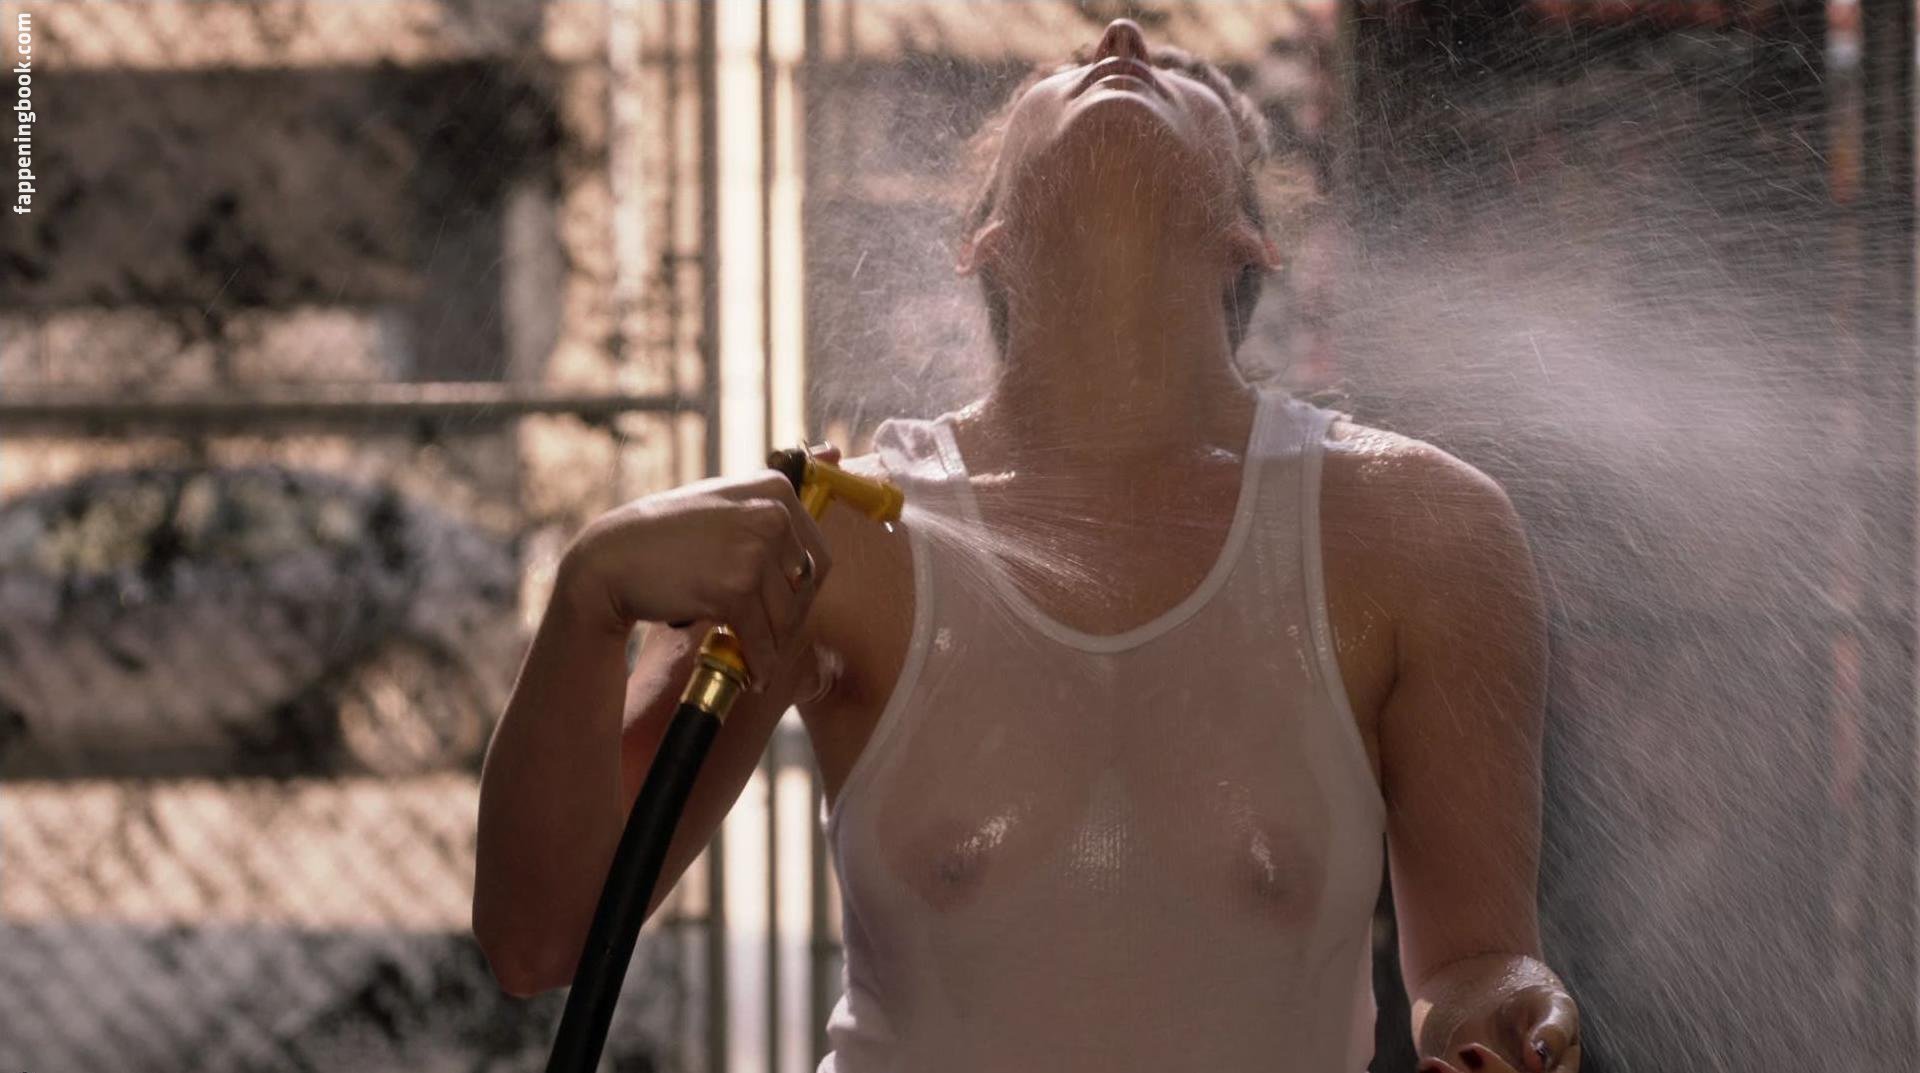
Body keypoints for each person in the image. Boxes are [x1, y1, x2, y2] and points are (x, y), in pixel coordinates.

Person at [474, 18, 1580, 1073]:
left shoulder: (1420, 531)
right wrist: (585, 599)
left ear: (1252, 238)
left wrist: (1513, 1012)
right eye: (1057, 70)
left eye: (1191, 76)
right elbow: (540, 935)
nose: (1120, 42)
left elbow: (1474, 961)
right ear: (983, 238)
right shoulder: (838, 536)